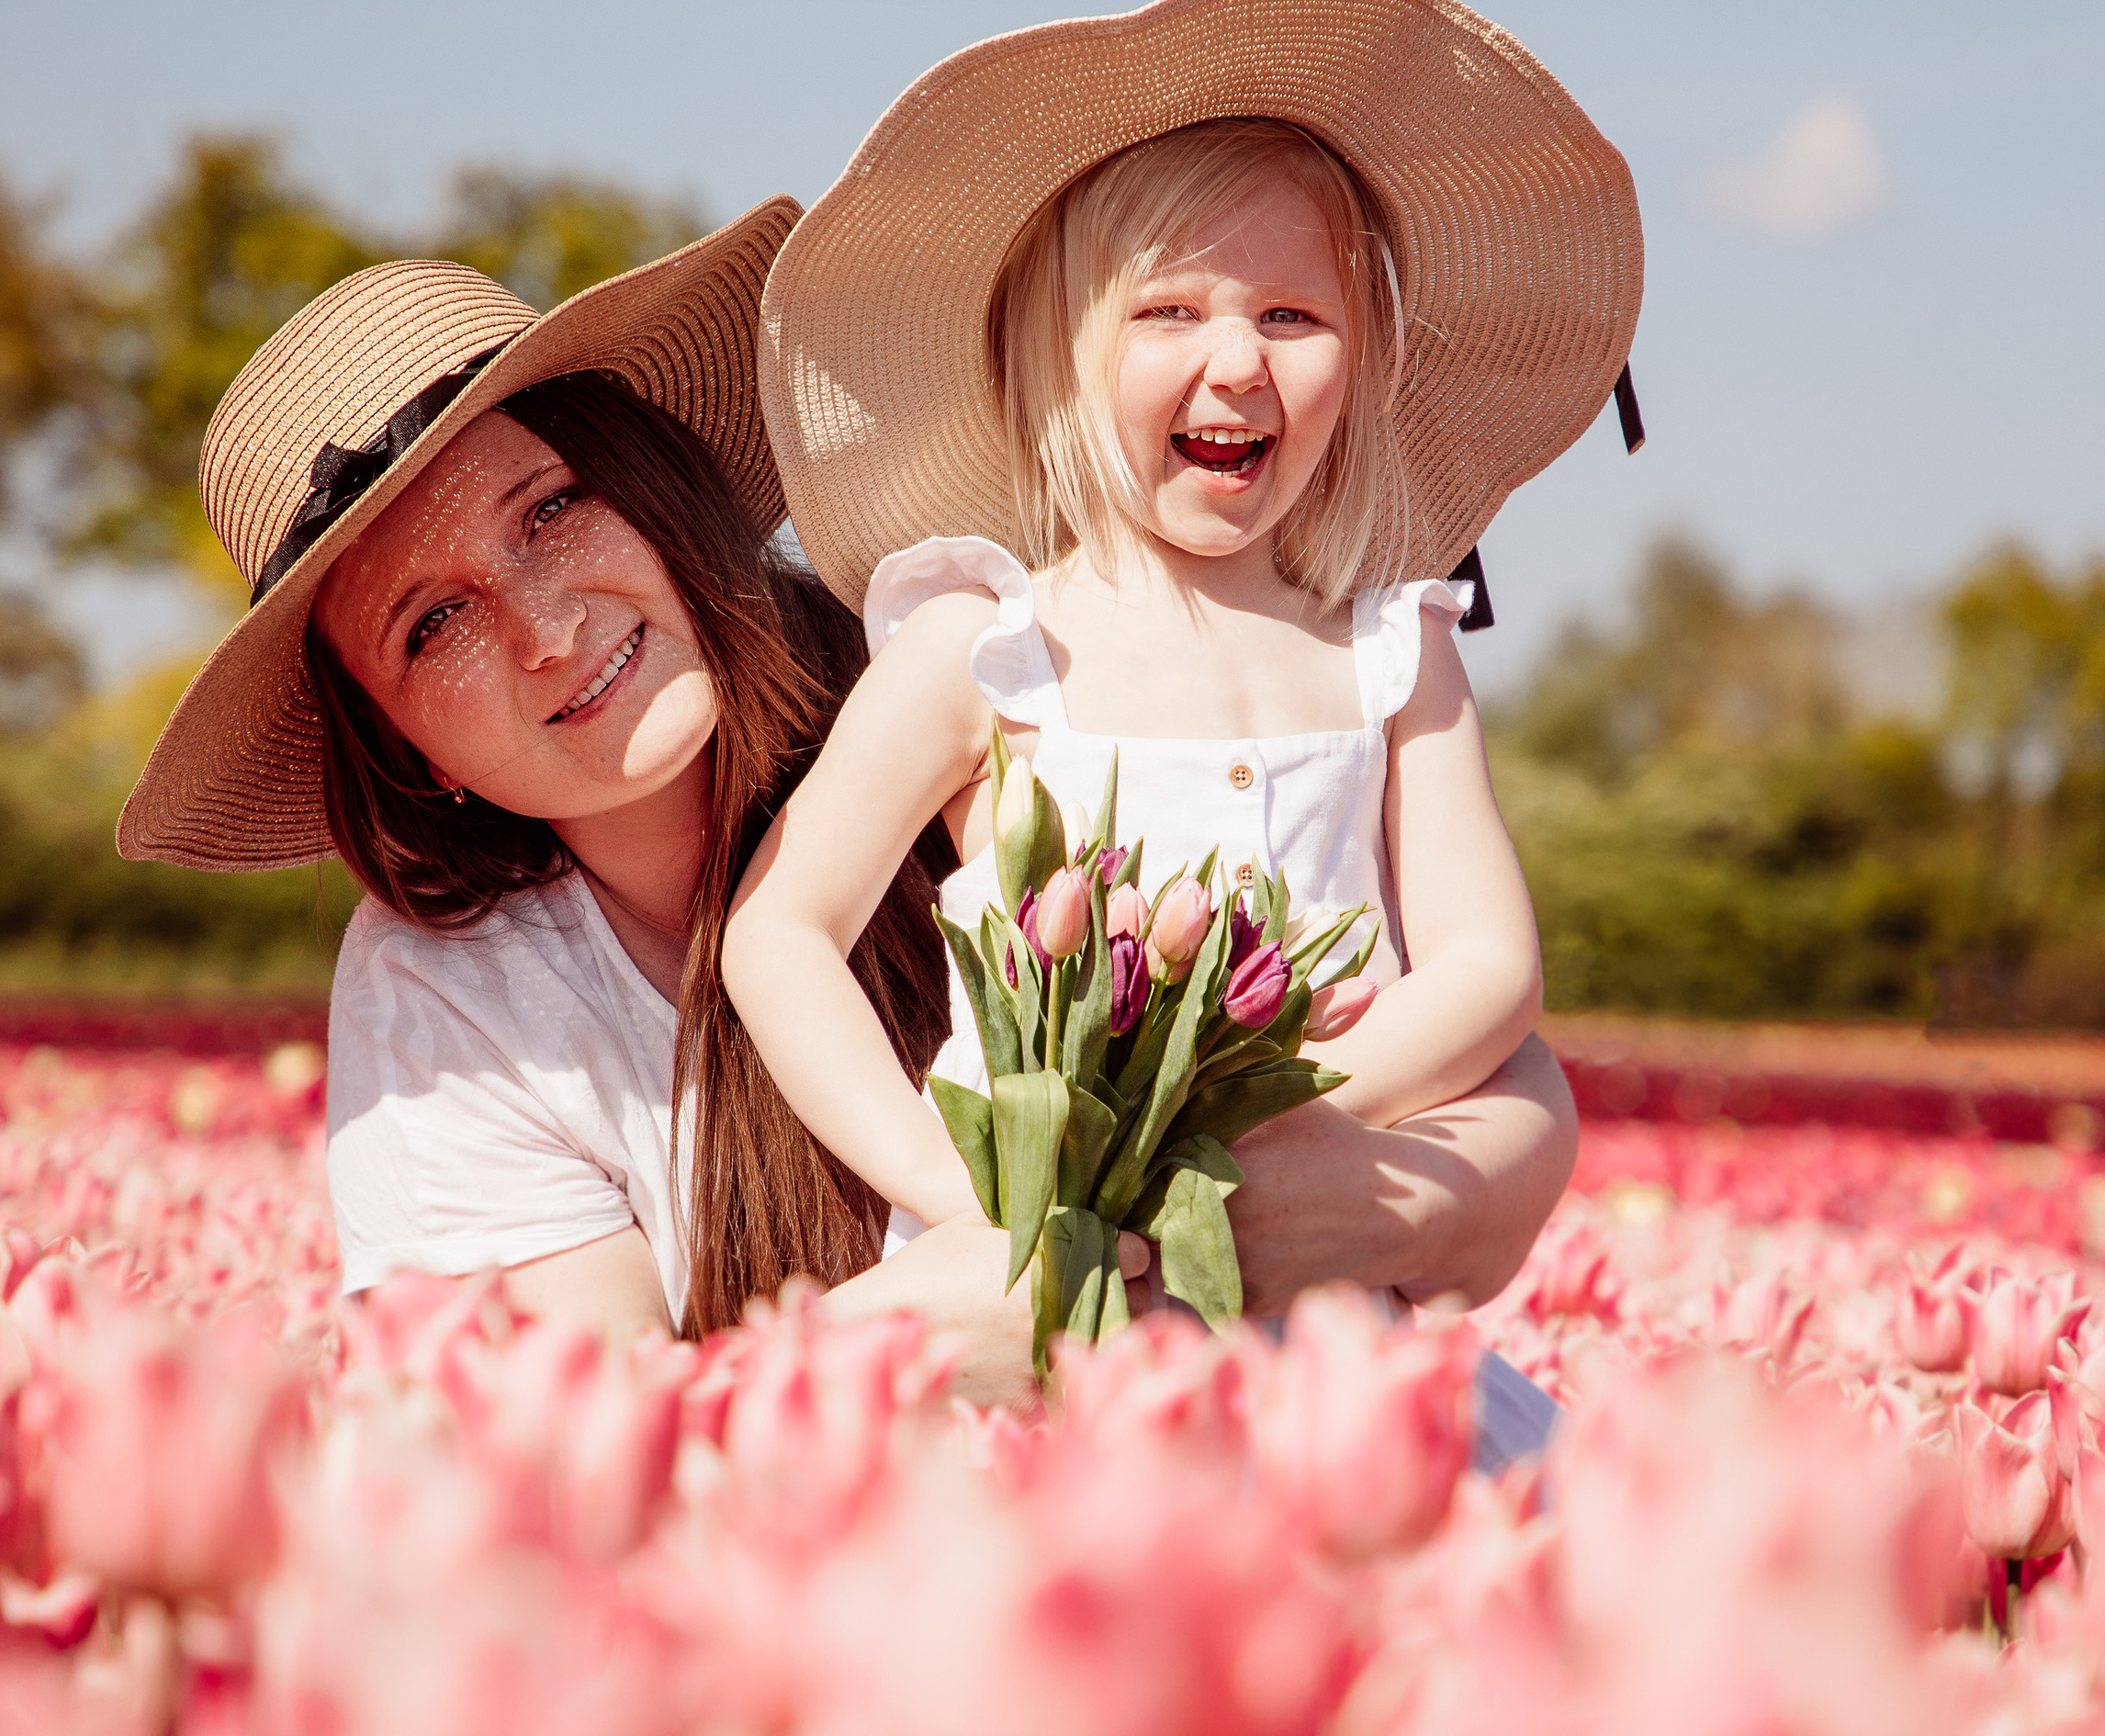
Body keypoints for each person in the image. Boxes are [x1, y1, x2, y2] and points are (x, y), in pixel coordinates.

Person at [116, 178, 1582, 1391]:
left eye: (552, 507)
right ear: (400, 745)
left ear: (653, 475)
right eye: (429, 625)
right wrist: (898, 1342)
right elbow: (578, 1456)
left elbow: (1505, 1065)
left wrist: (1384, 1200)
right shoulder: (459, 1007)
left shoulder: (981, 692)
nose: (544, 624)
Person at [725, 0, 1641, 1400]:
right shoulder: (986, 647)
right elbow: (780, 930)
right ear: (1062, 357)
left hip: (1315, 1329)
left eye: (1291, 317)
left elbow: (1487, 965)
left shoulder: (1388, 650)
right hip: (1035, 1316)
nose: (1235, 363)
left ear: (1366, 358)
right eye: (1169, 312)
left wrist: (1277, 1130)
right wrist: (952, 1176)